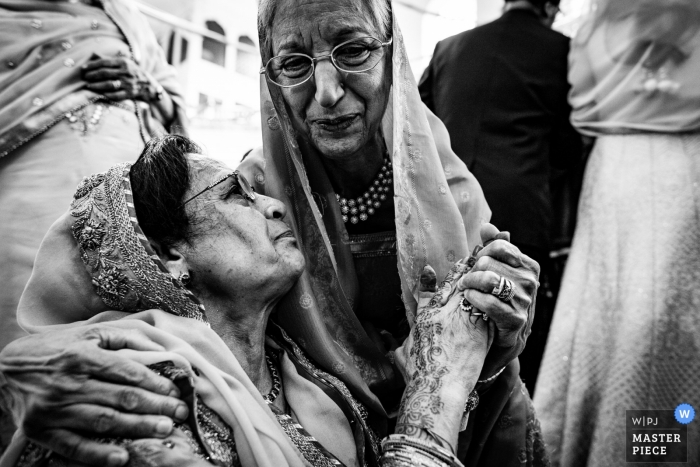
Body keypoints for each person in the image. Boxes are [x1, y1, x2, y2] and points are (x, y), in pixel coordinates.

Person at [1, 135, 502, 467]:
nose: (275, 204)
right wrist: (441, 383)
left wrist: (466, 329)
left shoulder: (310, 375)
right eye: (236, 195)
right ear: (168, 253)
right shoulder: (132, 399)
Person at [534, 1, 700, 465]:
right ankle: (652, 447)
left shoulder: (601, 22)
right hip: (682, 160)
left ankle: (610, 439)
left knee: (609, 309)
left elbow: (581, 99)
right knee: (664, 314)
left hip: (615, 165)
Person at [0, 0, 187, 355]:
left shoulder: (121, 11)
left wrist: (147, 88)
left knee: (134, 341)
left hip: (135, 193)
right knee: (32, 339)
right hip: (28, 189)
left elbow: (168, 97)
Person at [418, 0, 582, 393]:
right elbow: (568, 146)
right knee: (516, 338)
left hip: (444, 210)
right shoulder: (563, 51)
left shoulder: (449, 47)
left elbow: (417, 126)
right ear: (550, 6)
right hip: (518, 215)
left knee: (438, 324)